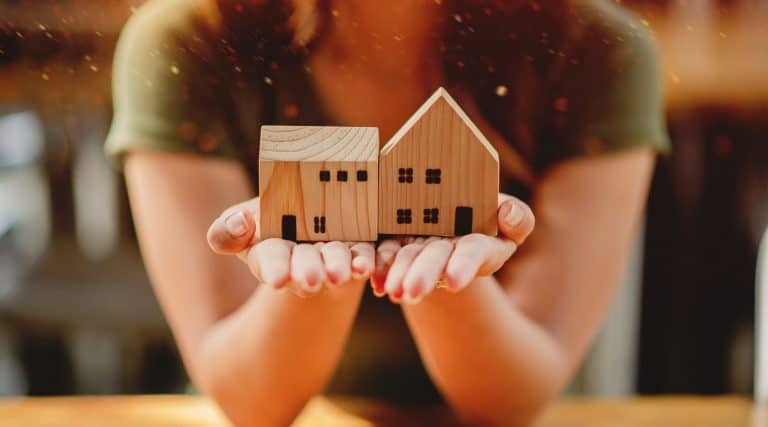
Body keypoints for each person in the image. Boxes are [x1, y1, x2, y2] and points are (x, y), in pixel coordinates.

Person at [105, 0, 668, 425]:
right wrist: (326, 265)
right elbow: (249, 399)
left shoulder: (594, 49)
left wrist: (445, 277)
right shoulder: (189, 42)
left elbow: (512, 398)